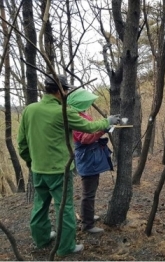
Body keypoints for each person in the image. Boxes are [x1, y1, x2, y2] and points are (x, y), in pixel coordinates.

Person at [17, 74, 121, 256]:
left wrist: (31, 162)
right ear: (59, 91)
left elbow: (22, 143)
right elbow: (88, 128)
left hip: (38, 170)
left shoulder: (29, 110)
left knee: (40, 205)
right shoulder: (63, 111)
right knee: (64, 208)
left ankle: (41, 239)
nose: (66, 93)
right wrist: (108, 121)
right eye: (65, 90)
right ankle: (66, 247)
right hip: (58, 171)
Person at [67, 89, 114, 233]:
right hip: (87, 158)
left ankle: (86, 215)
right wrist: (103, 129)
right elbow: (86, 139)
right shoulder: (74, 117)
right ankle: (87, 225)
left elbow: (91, 131)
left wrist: (104, 127)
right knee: (88, 192)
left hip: (90, 157)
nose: (88, 104)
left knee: (90, 190)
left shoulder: (82, 115)